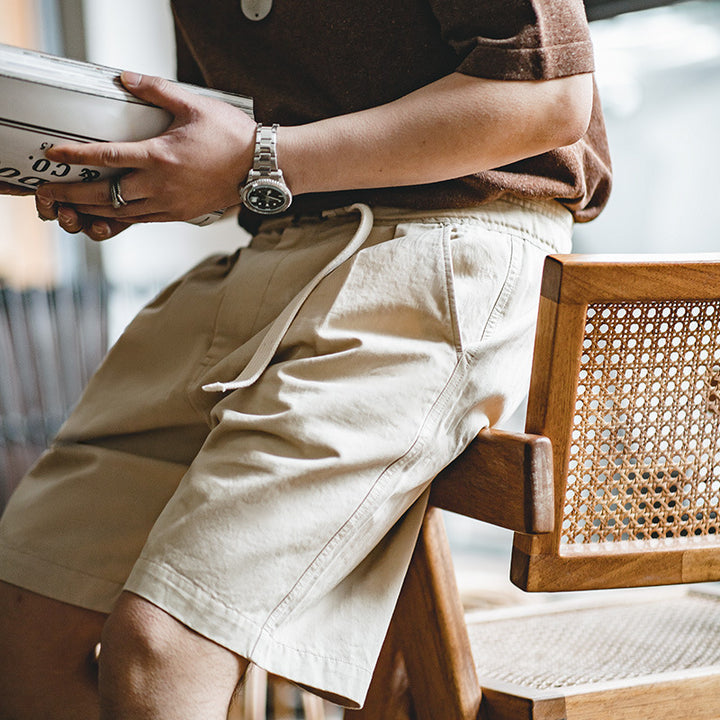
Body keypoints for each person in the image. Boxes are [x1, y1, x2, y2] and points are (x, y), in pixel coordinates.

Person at [0, 1, 611, 718]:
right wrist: (145, 176)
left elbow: (548, 99)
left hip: (451, 242)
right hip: (281, 242)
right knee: (20, 621)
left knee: (161, 649)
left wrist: (257, 159)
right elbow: (244, 121)